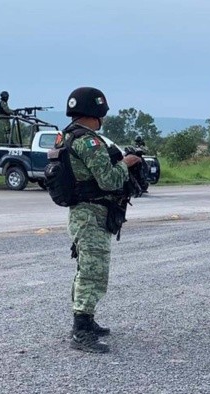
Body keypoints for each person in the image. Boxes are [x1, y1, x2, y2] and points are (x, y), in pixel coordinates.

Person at [62, 87, 142, 353]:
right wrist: (126, 163)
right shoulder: (88, 142)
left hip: (84, 214)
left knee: (86, 268)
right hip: (91, 215)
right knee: (93, 271)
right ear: (95, 112)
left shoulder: (68, 136)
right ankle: (81, 331)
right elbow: (109, 180)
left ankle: (86, 321)